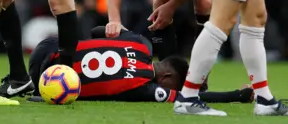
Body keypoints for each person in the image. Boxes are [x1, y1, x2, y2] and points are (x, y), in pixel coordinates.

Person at [27, 27, 254, 104]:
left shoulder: (142, 43)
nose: (174, 91)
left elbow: (98, 30)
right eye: (176, 86)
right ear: (166, 78)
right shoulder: (145, 87)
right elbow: (193, 99)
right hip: (46, 85)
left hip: (47, 48)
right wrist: (238, 95)